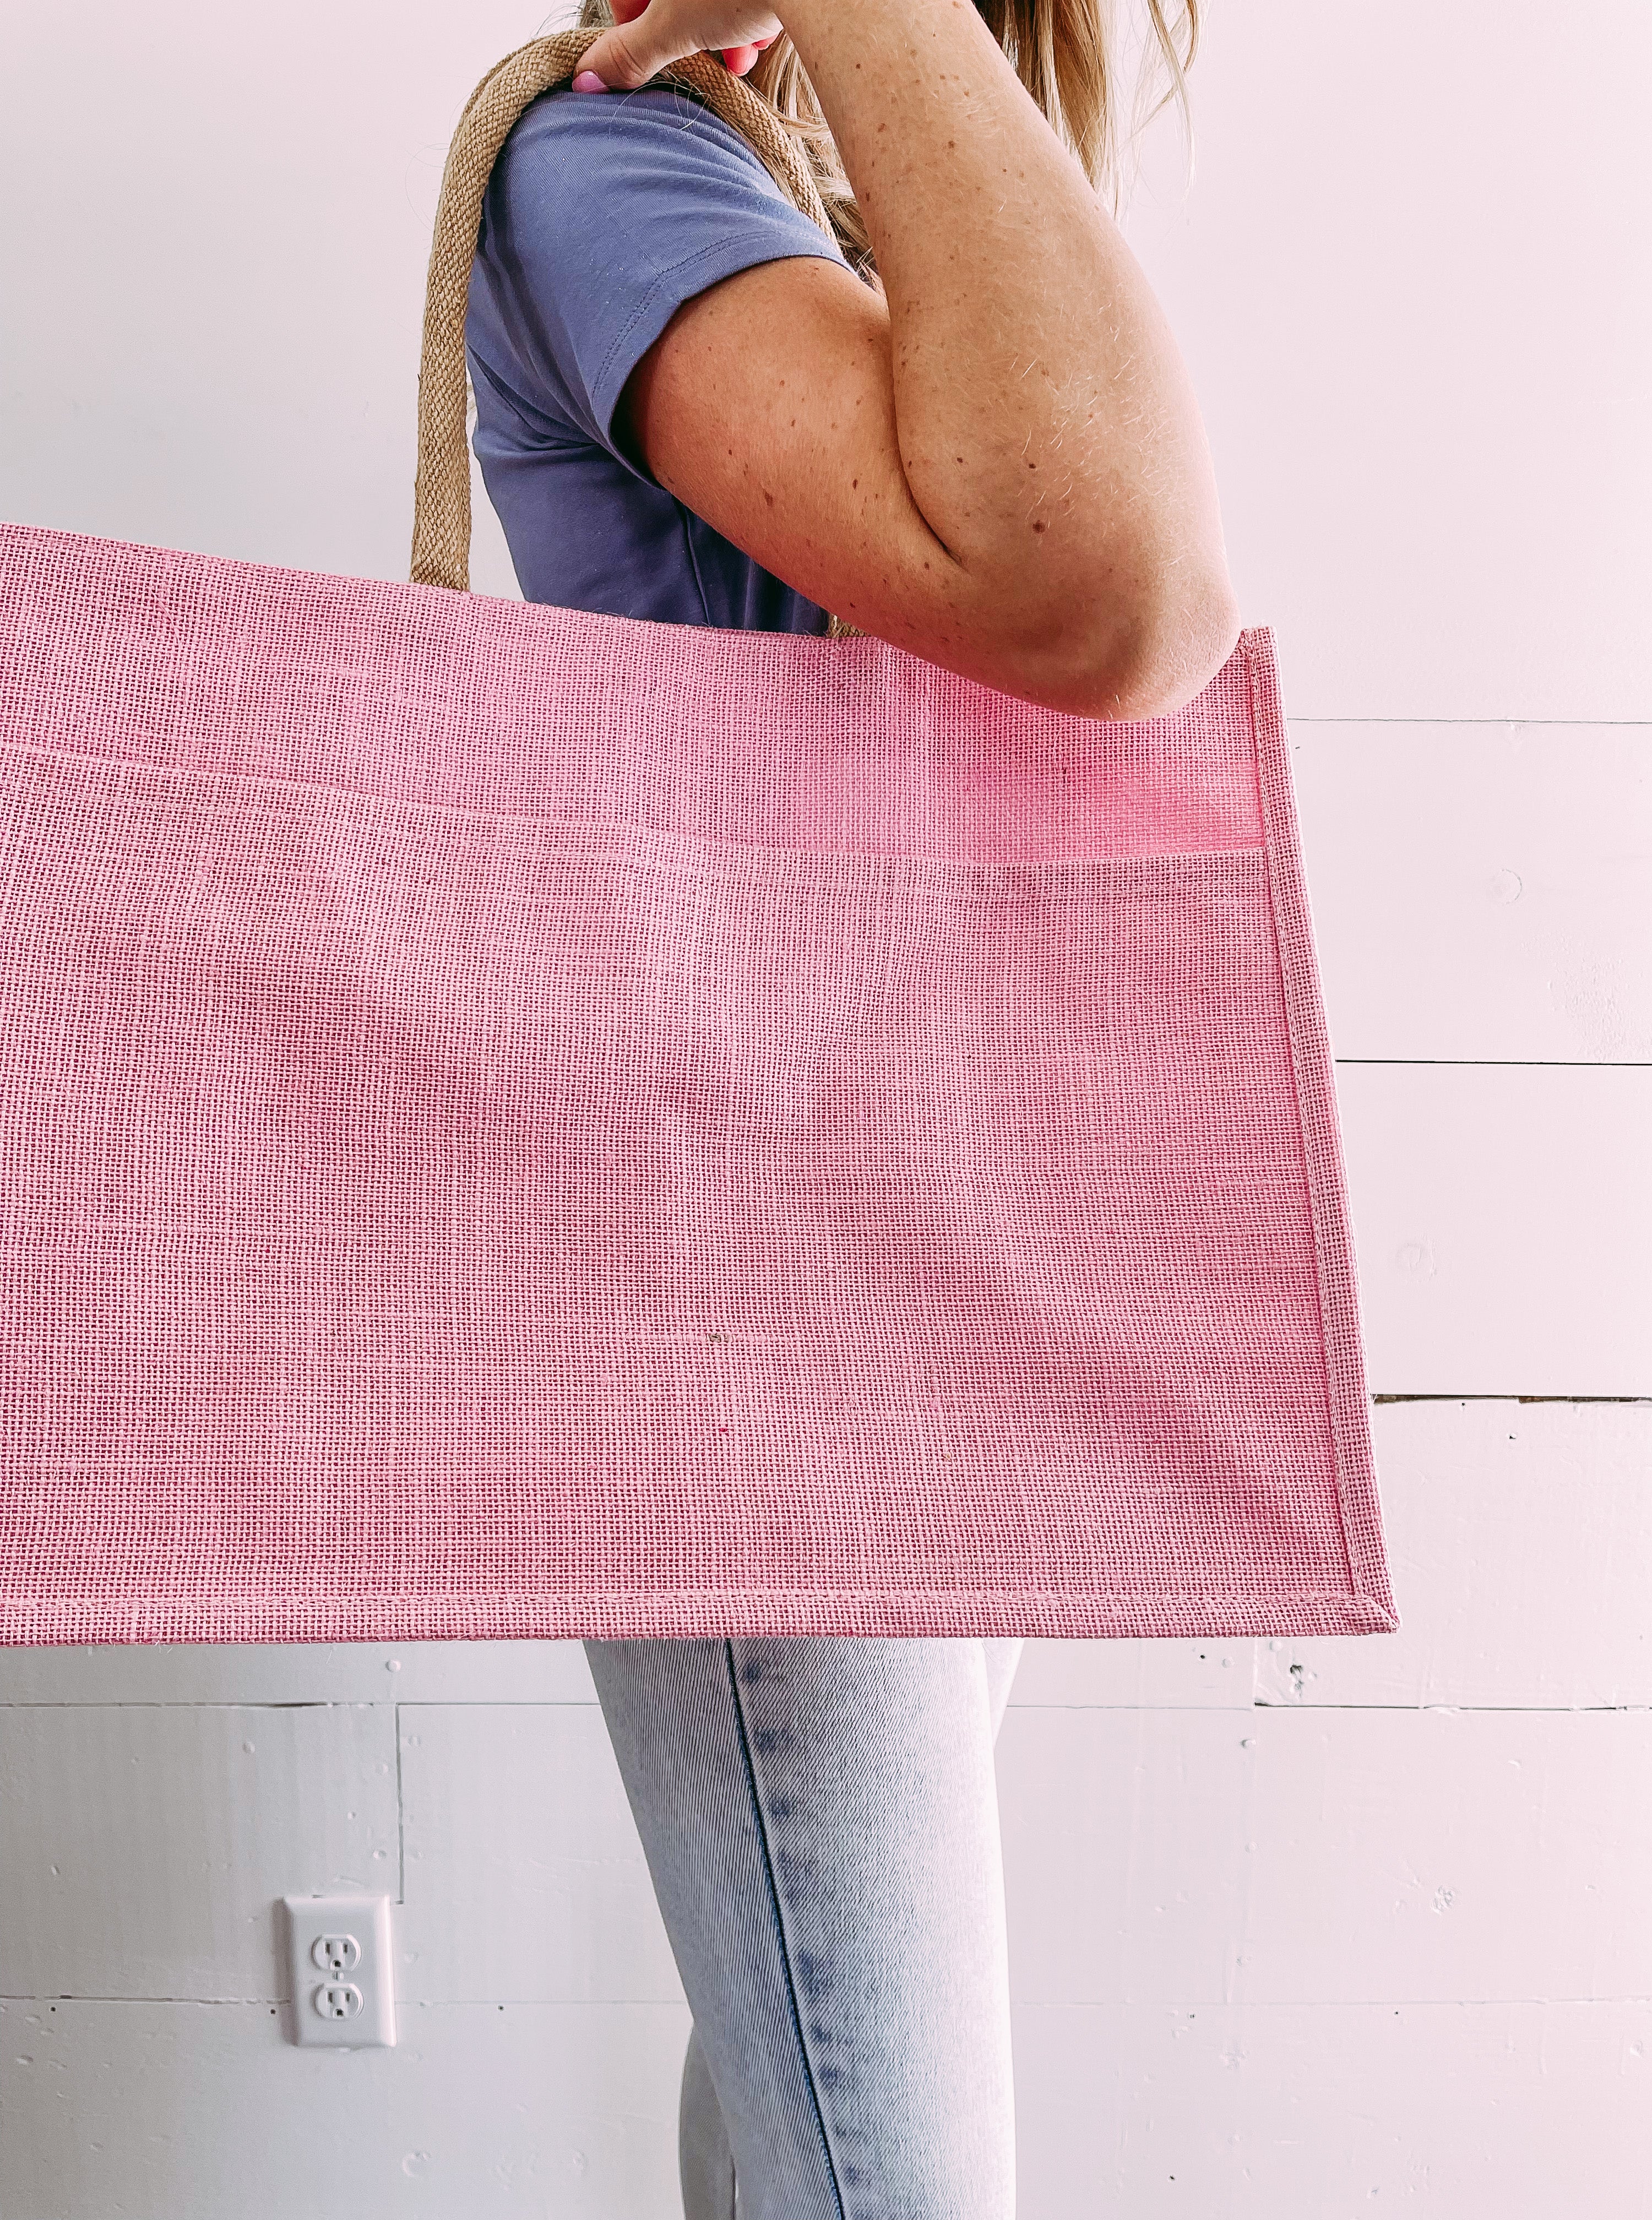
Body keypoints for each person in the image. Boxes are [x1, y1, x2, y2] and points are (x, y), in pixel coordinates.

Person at [463, 0, 1235, 2207]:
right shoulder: (602, 167)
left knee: (801, 2102)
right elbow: (1126, 591)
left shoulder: (819, 213)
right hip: (755, 1299)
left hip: (920, 1249)